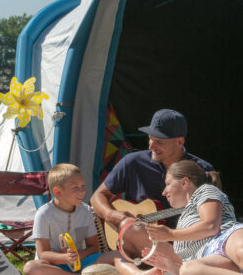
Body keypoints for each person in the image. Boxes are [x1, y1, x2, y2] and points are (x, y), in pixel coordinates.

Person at [90, 109, 214, 256]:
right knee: (129, 227)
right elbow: (97, 197)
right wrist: (110, 214)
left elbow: (211, 219)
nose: (151, 146)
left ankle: (174, 261)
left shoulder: (202, 170)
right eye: (150, 139)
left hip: (186, 242)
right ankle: (173, 262)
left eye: (159, 142)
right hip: (141, 244)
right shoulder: (132, 162)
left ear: (179, 142)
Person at [140, 160, 243, 275]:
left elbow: (211, 226)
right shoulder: (185, 215)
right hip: (212, 254)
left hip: (228, 234)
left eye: (168, 184)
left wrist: (170, 234)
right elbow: (193, 260)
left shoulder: (205, 191)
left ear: (184, 182)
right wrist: (171, 266)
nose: (164, 192)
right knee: (188, 270)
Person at [23, 163, 161, 275]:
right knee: (30, 268)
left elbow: (94, 247)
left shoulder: (85, 210)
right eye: (76, 188)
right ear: (58, 192)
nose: (82, 192)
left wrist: (77, 257)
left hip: (82, 262)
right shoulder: (44, 213)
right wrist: (64, 258)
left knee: (117, 255)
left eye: (83, 186)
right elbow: (43, 253)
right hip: (53, 265)